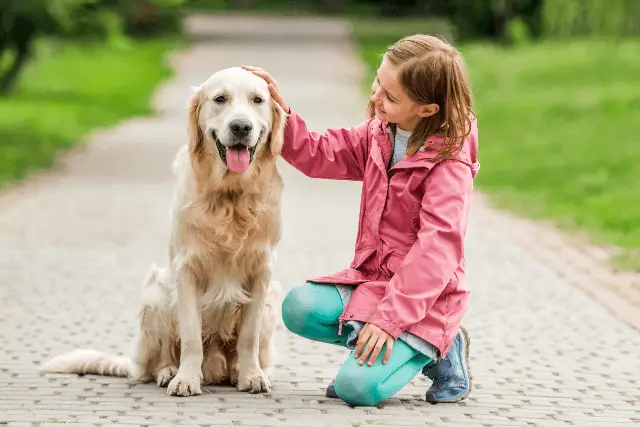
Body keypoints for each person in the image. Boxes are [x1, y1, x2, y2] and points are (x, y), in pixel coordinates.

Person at [242, 33, 479, 407]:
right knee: (298, 307)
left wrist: (389, 321)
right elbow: (319, 154)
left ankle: (442, 345)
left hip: (426, 301)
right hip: (375, 282)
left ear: (428, 110)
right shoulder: (380, 134)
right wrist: (276, 112)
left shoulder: (449, 163)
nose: (375, 97)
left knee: (356, 389)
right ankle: (379, 351)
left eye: (390, 96)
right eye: (377, 82)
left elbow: (437, 250)